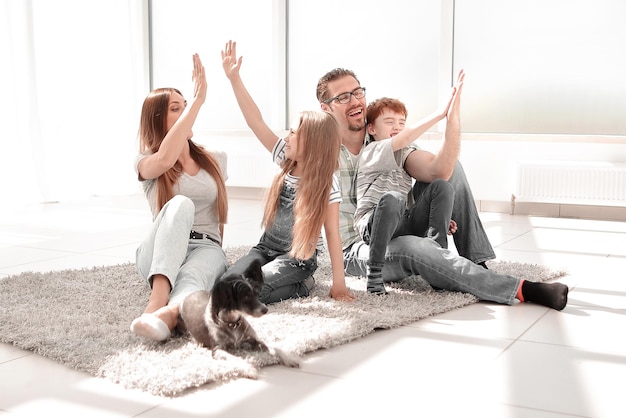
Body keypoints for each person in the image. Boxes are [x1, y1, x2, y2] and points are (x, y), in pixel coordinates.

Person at [317, 67, 569, 310]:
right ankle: (521, 289)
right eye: (343, 97)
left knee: (452, 170)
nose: (355, 101)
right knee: (417, 248)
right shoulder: (319, 150)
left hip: (398, 222)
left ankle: (474, 261)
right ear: (326, 108)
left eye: (358, 92)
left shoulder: (386, 139)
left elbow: (439, 170)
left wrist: (452, 117)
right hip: (357, 249)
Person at [220, 40, 355, 304]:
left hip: (296, 259)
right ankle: (291, 284)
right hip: (264, 249)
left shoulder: (327, 183)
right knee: (228, 284)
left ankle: (301, 285)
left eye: (293, 132)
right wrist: (234, 78)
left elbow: (332, 235)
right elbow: (255, 121)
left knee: (249, 291)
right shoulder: (286, 159)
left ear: (312, 143)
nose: (287, 136)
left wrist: (339, 283)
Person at [130, 53, 230, 341]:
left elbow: (218, 216)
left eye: (187, 107)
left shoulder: (216, 159)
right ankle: (156, 299)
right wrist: (198, 100)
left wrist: (218, 254)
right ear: (159, 120)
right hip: (159, 250)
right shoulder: (145, 161)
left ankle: (168, 315)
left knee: (194, 278)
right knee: (181, 203)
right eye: (177, 109)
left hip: (205, 246)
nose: (187, 113)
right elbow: (164, 159)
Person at [355, 90, 462, 294]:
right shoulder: (371, 151)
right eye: (389, 122)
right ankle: (374, 271)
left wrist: (437, 216)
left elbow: (423, 190)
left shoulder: (404, 157)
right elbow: (404, 139)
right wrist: (439, 114)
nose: (397, 127)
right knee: (394, 198)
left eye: (401, 122)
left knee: (442, 186)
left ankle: (437, 261)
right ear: (371, 129)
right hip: (373, 223)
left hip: (403, 220)